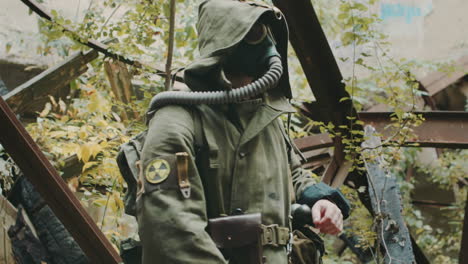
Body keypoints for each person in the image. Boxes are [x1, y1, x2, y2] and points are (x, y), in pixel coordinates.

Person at [136, 0, 350, 263]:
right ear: (225, 40)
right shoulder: (178, 119)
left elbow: (293, 173)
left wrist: (320, 201)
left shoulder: (265, 117)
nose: (267, 43)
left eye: (268, 32)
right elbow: (171, 229)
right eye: (255, 32)